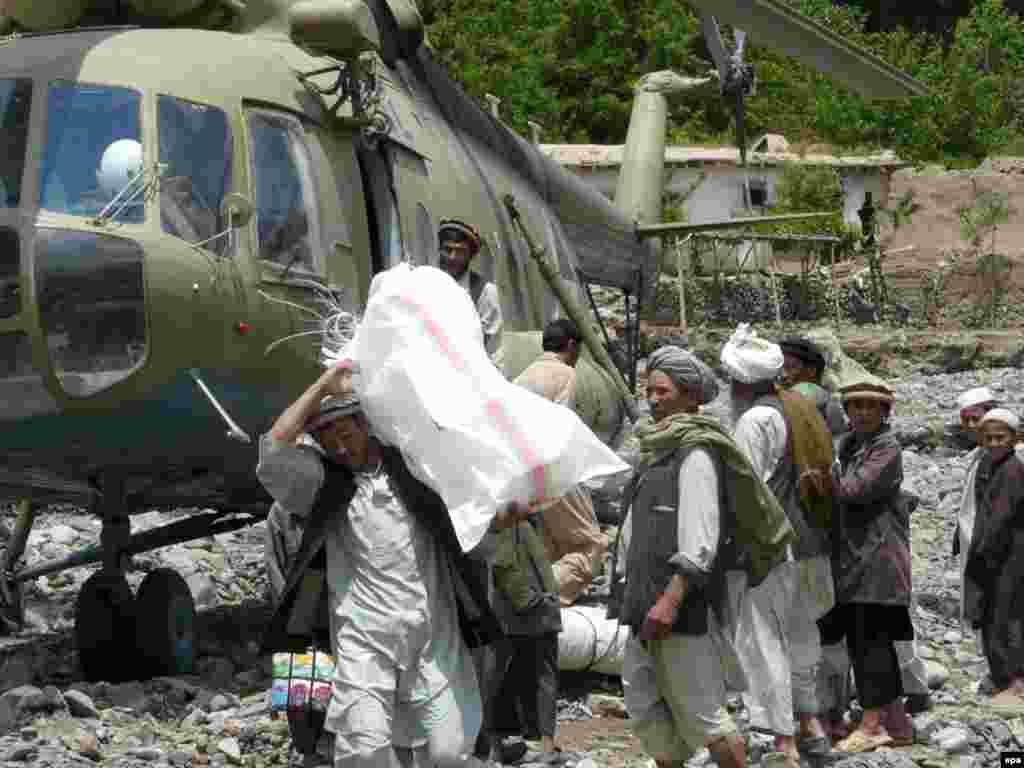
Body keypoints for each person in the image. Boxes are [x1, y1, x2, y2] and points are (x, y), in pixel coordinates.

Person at [257, 362, 529, 768]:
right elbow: (274, 449)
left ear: (366, 424)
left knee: (448, 753)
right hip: (362, 643)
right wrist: (323, 385)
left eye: (346, 436)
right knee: (365, 751)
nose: (341, 449)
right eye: (329, 443)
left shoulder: (418, 476)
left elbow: (471, 526)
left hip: (433, 640)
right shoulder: (322, 485)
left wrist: (501, 520)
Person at [614, 345, 795, 768]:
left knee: (704, 714)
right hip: (642, 601)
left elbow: (701, 538)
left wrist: (670, 600)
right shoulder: (657, 448)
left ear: (691, 396)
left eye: (662, 391)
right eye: (649, 391)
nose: (652, 400)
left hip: (678, 607)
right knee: (648, 711)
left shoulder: (696, 452)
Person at [722, 325, 835, 767]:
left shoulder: (755, 420)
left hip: (773, 548)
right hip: (812, 543)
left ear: (739, 382)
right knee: (802, 635)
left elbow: (744, 490)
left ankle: (781, 741)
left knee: (762, 639)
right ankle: (811, 725)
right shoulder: (801, 407)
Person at [826, 379, 915, 753]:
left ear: (884, 412)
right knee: (872, 639)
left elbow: (853, 490)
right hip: (857, 557)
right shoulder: (851, 445)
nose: (861, 412)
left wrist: (820, 476)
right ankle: (898, 724)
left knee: (869, 642)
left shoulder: (886, 448)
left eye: (870, 406)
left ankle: (872, 724)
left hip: (878, 559)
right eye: (855, 405)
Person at [514, 318, 609, 606]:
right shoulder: (565, 373)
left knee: (552, 546)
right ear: (571, 345)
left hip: (525, 473)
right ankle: (540, 595)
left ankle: (546, 600)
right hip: (556, 470)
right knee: (591, 546)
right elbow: (560, 426)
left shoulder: (523, 376)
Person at [482, 511, 563, 762]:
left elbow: (503, 563)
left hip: (524, 610)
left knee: (498, 677)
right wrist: (533, 600)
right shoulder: (510, 520)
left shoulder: (515, 522)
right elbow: (504, 563)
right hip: (528, 609)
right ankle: (540, 745)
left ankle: (497, 745)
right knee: (533, 676)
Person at [962, 408, 1024, 712]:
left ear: (1015, 438)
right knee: (991, 614)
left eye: (1001, 437)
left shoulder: (1012, 470)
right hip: (991, 553)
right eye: (989, 438)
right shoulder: (988, 463)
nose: (994, 443)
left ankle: (1016, 682)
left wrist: (983, 552)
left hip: (1007, 556)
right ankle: (1001, 676)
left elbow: (1001, 517)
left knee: (1006, 616)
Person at [438, 218, 502, 359]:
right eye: (448, 250)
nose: (452, 257)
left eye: (460, 251)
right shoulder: (425, 283)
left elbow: (491, 349)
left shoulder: (485, 293)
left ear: (471, 255)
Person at [778, 337, 847, 436]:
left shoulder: (805, 396)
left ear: (811, 371)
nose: (783, 375)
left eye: (791, 367)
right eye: (780, 368)